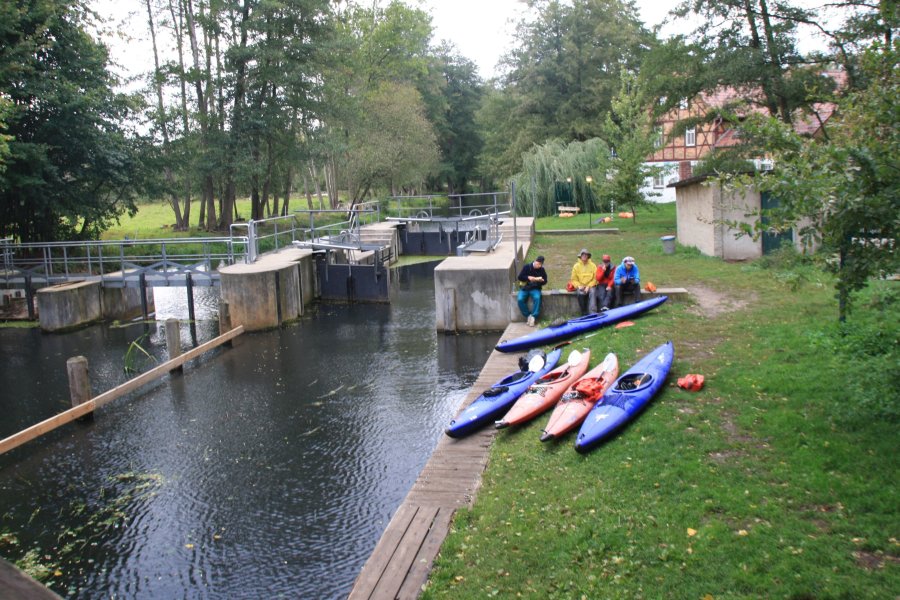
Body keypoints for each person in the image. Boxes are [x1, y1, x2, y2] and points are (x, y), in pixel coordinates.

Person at [517, 255, 547, 326]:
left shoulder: (542, 269)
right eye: (538, 264)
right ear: (535, 261)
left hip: (535, 288)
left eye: (540, 264)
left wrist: (541, 281)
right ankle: (528, 315)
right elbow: (520, 277)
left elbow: (545, 281)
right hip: (525, 287)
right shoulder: (527, 267)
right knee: (520, 299)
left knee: (537, 298)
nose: (539, 266)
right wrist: (528, 277)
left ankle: (533, 316)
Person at [569, 248, 597, 315]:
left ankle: (592, 313)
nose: (584, 256)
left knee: (593, 292)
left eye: (586, 255)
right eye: (583, 255)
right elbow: (573, 279)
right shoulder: (576, 266)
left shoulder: (593, 266)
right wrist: (579, 286)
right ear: (580, 256)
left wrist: (588, 286)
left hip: (590, 286)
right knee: (580, 294)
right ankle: (584, 312)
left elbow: (595, 279)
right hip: (580, 286)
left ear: (588, 256)